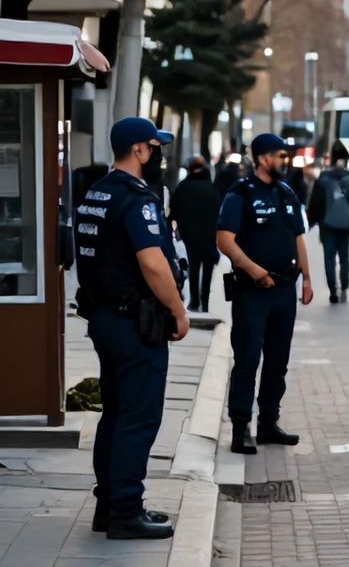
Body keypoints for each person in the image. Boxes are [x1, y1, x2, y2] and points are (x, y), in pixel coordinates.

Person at [74, 117, 189, 540]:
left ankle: (109, 505)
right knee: (138, 417)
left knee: (117, 414)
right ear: (139, 150)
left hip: (106, 318)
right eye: (154, 146)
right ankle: (125, 510)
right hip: (134, 322)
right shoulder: (137, 198)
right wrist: (178, 311)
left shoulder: (96, 192)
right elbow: (153, 262)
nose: (158, 154)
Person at [218, 133, 315, 455]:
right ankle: (240, 426)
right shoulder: (240, 194)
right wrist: (254, 270)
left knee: (278, 361)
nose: (285, 161)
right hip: (253, 291)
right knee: (247, 359)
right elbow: (225, 240)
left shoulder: (286, 193)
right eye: (279, 156)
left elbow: (298, 236)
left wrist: (306, 278)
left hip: (285, 290)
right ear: (261, 158)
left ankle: (268, 422)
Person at [308, 143, 349, 303]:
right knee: (344, 257)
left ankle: (333, 290)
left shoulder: (324, 178)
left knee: (329, 258)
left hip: (327, 224)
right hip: (346, 225)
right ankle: (344, 286)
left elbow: (315, 201)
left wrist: (312, 220)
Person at [170, 156, 221, 313]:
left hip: (190, 234)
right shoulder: (212, 188)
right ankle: (204, 300)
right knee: (207, 268)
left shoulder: (183, 188)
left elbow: (174, 209)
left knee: (194, 266)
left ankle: (194, 300)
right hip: (209, 235)